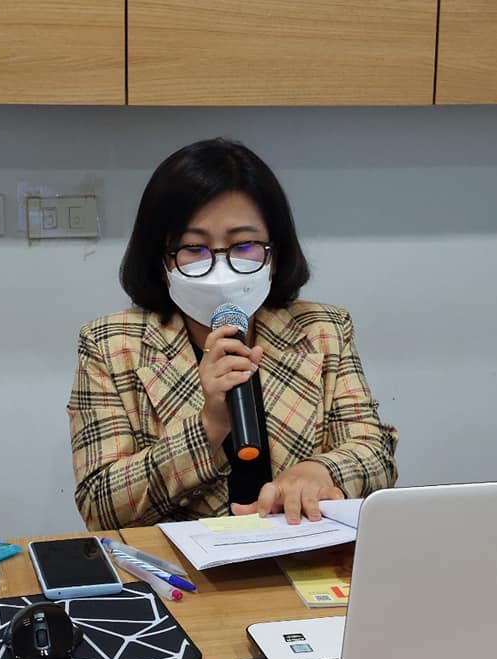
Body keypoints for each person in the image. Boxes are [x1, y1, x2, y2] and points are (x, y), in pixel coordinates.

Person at [68, 138, 398, 530]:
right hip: (177, 563)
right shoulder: (111, 344)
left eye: (244, 245)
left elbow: (377, 456)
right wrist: (208, 426)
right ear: (161, 261)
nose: (220, 268)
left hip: (301, 554)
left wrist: (320, 471)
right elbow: (100, 506)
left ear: (275, 254)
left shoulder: (323, 330)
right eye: (194, 248)